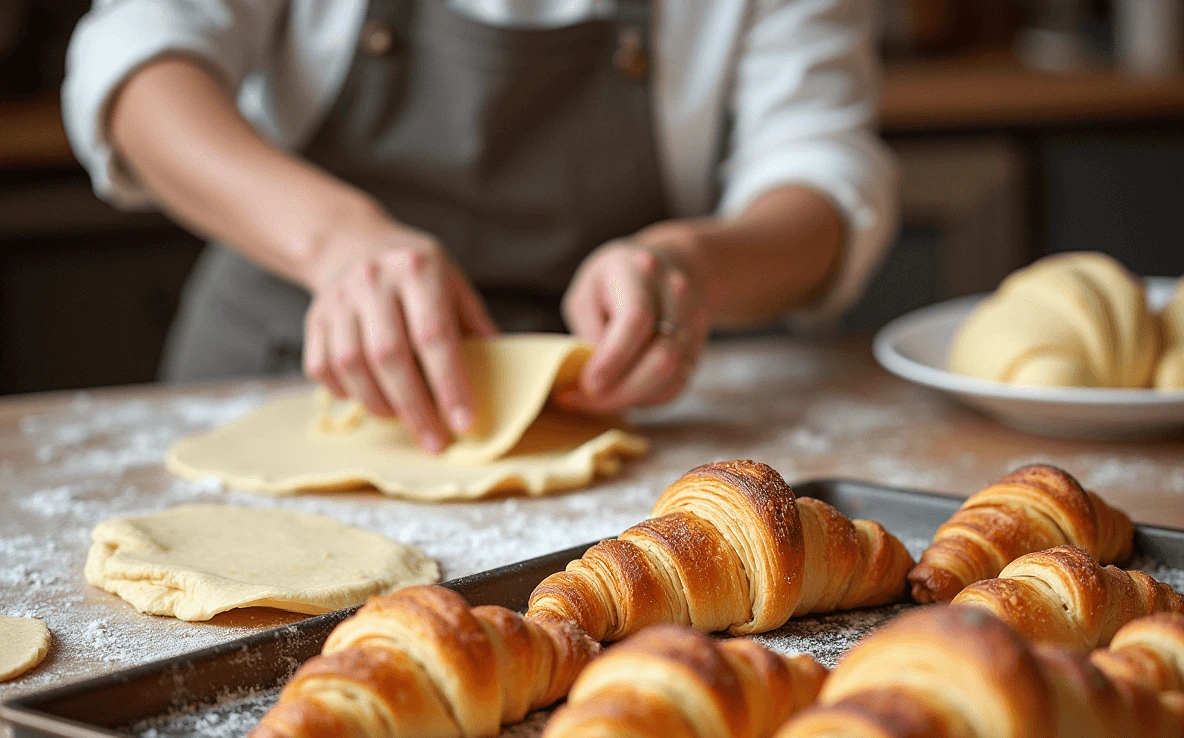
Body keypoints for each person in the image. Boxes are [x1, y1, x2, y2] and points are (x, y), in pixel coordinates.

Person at [63, 0, 897, 453]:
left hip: (591, 418)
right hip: (272, 376)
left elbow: (818, 176)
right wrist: (337, 241)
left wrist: (689, 266)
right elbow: (138, 65)